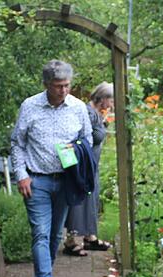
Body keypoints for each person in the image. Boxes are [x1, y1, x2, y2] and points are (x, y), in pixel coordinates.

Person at [10, 60, 92, 277]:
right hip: (37, 180)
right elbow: (17, 143)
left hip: (65, 181)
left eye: (67, 85)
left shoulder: (78, 108)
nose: (63, 90)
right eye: (58, 86)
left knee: (56, 235)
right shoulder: (30, 106)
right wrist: (21, 174)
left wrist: (76, 150)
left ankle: (44, 274)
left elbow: (87, 138)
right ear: (46, 85)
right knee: (41, 233)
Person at [63, 82, 114, 256]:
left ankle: (90, 237)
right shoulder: (87, 112)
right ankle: (71, 240)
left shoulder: (95, 113)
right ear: (103, 99)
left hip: (91, 166)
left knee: (91, 201)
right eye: (111, 100)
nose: (112, 104)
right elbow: (76, 138)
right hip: (83, 167)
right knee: (79, 202)